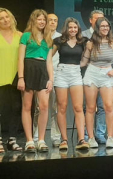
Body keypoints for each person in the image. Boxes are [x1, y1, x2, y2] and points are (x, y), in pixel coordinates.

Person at [81, 17, 113, 148]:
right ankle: (91, 138)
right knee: (90, 108)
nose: (105, 28)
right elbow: (84, 62)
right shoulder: (90, 43)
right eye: (102, 26)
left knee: (108, 107)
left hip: (107, 74)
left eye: (107, 26)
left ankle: (110, 137)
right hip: (92, 73)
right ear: (97, 28)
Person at [18, 9, 54, 152]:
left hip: (42, 70)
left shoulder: (48, 38)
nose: (42, 22)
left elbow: (49, 61)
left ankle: (41, 139)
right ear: (33, 20)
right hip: (28, 69)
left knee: (44, 106)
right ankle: (29, 141)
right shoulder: (26, 36)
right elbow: (20, 58)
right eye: (39, 19)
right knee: (27, 106)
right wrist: (21, 77)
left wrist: (51, 79)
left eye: (44, 20)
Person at [52, 17, 89, 150]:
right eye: (70, 27)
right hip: (61, 73)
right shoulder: (59, 41)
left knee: (78, 107)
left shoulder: (83, 41)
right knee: (62, 107)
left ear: (78, 29)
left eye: (75, 27)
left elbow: (89, 55)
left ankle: (81, 139)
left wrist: (83, 63)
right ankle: (64, 139)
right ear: (66, 29)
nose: (73, 30)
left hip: (76, 73)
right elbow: (48, 56)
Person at [33, 13, 61, 147]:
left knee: (55, 107)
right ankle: (37, 136)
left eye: (55, 21)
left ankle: (56, 137)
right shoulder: (39, 36)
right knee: (39, 107)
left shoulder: (61, 38)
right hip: (40, 75)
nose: (53, 23)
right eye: (50, 20)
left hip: (56, 75)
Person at [82, 10, 106, 144]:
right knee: (88, 107)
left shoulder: (106, 35)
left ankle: (100, 134)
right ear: (91, 20)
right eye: (97, 19)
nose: (99, 22)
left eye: (102, 19)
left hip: (103, 76)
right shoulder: (84, 35)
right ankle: (87, 135)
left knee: (102, 107)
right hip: (89, 75)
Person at [0, 8, 23, 152]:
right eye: (1, 18)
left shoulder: (20, 35)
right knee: (1, 109)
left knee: (15, 108)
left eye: (6, 17)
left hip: (15, 77)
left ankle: (12, 140)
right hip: (1, 75)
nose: (5, 20)